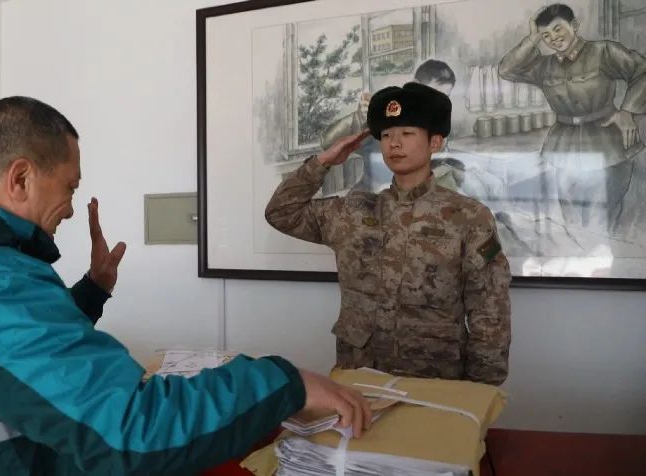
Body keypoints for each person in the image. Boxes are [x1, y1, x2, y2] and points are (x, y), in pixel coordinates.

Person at [0, 96, 371, 475]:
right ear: (21, 178)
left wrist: (92, 290)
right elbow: (133, 429)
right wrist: (285, 383)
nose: (71, 207)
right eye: (69, 186)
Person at [265, 83, 512, 385]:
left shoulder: (468, 217)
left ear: (435, 142)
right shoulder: (354, 211)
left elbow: (489, 308)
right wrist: (324, 162)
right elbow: (281, 213)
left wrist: (481, 389)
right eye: (385, 135)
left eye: (407, 133)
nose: (394, 143)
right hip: (358, 376)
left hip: (434, 379)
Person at [498, 3, 646, 233]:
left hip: (606, 143)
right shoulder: (543, 66)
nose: (553, 39)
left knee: (601, 215)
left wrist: (627, 111)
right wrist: (532, 38)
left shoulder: (603, 51)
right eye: (546, 35)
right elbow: (506, 70)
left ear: (574, 25)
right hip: (563, 146)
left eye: (558, 29)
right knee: (569, 215)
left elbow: (642, 71)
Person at [319, 59, 458, 194]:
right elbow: (328, 143)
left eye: (445, 97)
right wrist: (359, 118)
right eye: (432, 95)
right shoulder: (384, 116)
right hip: (370, 200)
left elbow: (442, 171)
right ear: (415, 84)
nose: (437, 104)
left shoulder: (437, 129)